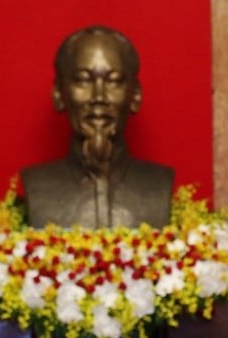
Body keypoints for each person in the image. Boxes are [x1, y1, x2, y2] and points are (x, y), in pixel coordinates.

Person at [21, 25, 174, 229]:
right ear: (58, 93)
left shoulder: (158, 184)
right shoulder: (38, 185)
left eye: (113, 81)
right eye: (83, 80)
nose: (99, 97)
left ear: (135, 95)